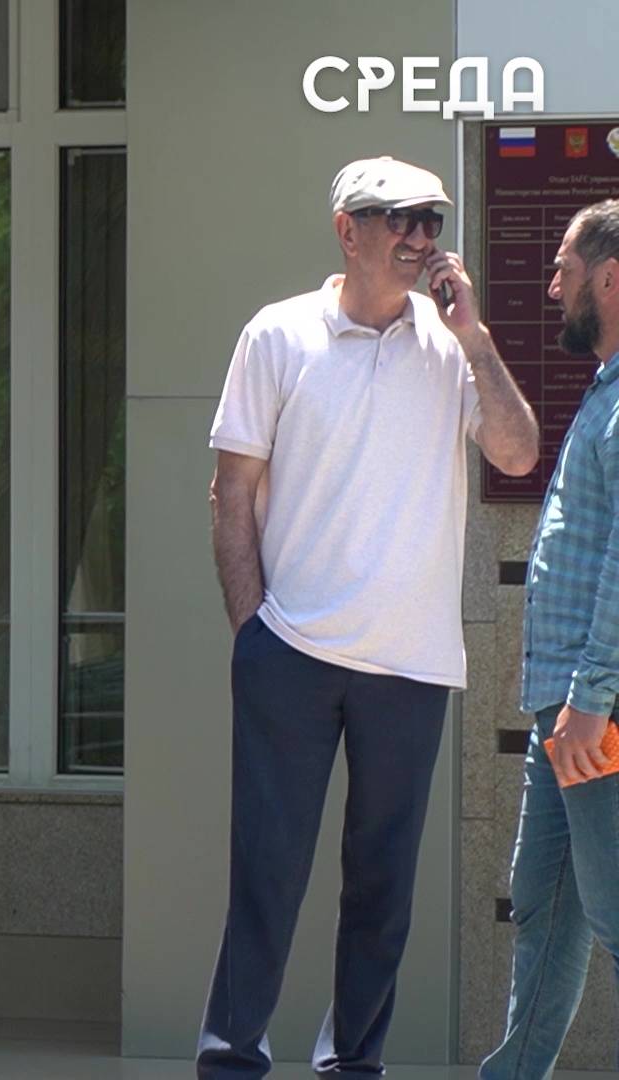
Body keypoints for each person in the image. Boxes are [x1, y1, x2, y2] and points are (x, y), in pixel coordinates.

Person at [197, 156, 539, 1079]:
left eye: (432, 220)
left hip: (412, 665)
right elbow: (231, 493)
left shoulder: (450, 345)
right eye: (400, 219)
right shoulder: (276, 334)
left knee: (382, 892)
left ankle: (354, 1065)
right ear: (348, 230)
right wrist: (252, 634)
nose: (421, 237)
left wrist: (475, 338)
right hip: (290, 653)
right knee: (267, 874)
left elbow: (516, 453)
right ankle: (231, 1058)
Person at [481, 199, 619, 1078]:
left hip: (596, 713)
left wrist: (593, 699)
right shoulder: (605, 391)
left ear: (610, 278)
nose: (551, 286)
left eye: (564, 269)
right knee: (546, 909)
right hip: (566, 713)